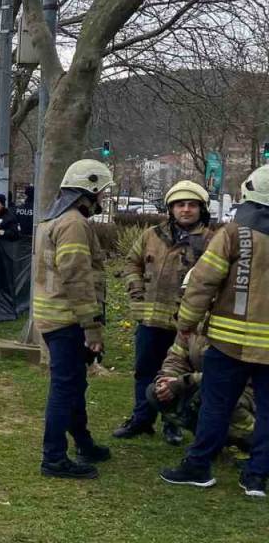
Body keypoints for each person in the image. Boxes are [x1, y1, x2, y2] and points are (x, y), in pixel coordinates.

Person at [161, 165, 269, 497]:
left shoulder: (234, 234)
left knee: (215, 404)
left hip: (227, 342)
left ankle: (199, 466)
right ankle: (256, 477)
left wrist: (186, 325)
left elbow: (202, 283)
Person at [115, 180, 215, 441]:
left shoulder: (212, 241)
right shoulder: (151, 235)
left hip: (186, 323)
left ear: (201, 209)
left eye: (192, 205)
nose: (185, 210)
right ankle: (142, 419)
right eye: (180, 205)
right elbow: (131, 263)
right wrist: (136, 289)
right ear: (170, 208)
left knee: (179, 375)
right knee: (145, 370)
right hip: (150, 320)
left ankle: (173, 423)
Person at [34, 159, 114, 479]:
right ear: (89, 191)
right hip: (68, 319)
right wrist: (91, 326)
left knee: (74, 385)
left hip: (55, 316)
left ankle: (83, 441)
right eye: (102, 193)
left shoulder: (53, 219)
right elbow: (77, 277)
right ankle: (53, 458)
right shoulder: (73, 224)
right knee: (66, 388)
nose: (103, 199)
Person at [148, 331, 256, 448]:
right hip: (205, 383)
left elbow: (225, 373)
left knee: (213, 397)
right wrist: (166, 380)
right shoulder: (191, 326)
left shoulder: (233, 326)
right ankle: (208, 440)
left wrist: (181, 382)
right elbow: (176, 358)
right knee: (154, 392)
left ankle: (254, 441)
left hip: (246, 389)